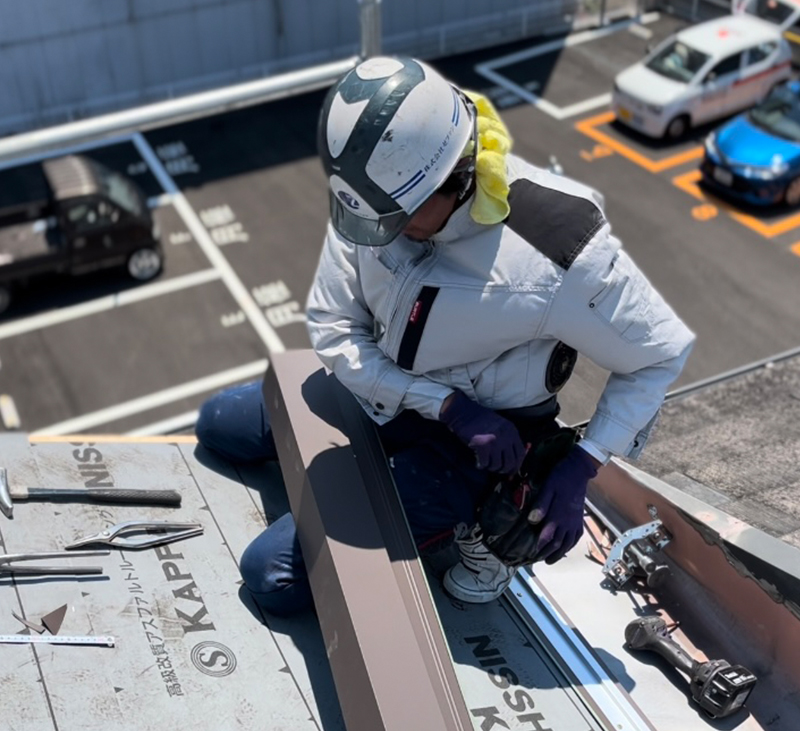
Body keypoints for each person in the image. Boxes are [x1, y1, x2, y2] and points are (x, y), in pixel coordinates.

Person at [195, 56, 695, 616]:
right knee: (217, 425)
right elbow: (336, 328)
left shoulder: (556, 246)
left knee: (273, 577)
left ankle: (483, 523)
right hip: (386, 390)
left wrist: (584, 463)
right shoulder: (375, 191)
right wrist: (444, 403)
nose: (382, 236)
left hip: (483, 445)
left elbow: (659, 354)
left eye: (398, 218)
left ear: (455, 177)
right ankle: (384, 487)